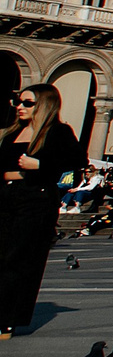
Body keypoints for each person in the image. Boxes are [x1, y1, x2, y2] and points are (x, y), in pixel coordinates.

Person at [0, 84, 83, 339]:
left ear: (44, 104)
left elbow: (75, 172)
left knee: (16, 258)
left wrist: (41, 165)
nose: (20, 107)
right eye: (19, 101)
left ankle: (6, 320)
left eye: (27, 103)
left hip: (35, 199)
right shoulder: (12, 132)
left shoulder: (58, 132)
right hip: (5, 197)